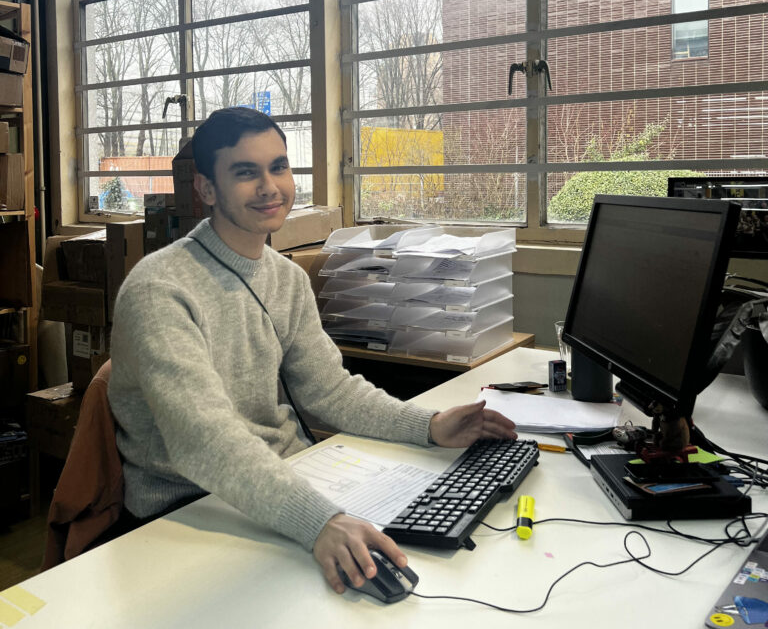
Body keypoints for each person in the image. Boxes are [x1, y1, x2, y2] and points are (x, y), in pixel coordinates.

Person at [109, 107, 517, 594]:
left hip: (284, 483)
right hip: (188, 512)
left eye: (278, 167)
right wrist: (319, 521)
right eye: (246, 172)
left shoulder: (285, 278)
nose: (270, 187)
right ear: (207, 189)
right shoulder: (159, 289)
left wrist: (427, 426)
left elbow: (330, 390)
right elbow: (203, 441)